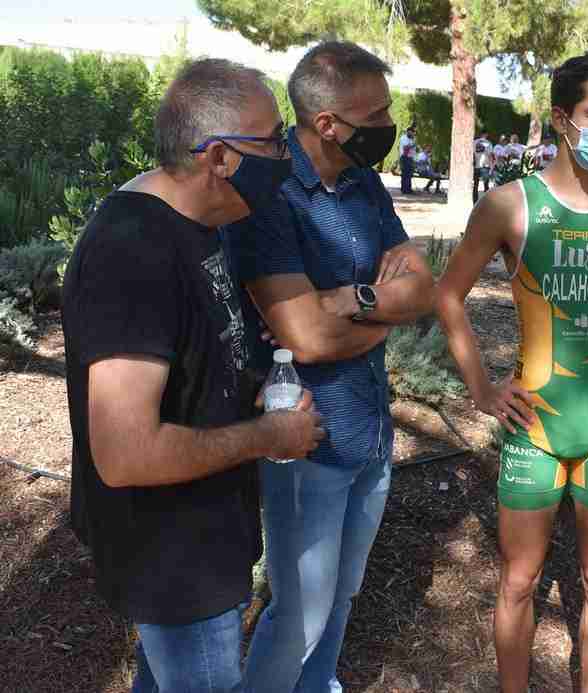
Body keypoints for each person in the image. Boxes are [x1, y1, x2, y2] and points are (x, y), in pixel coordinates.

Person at [62, 59, 324, 693]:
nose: (286, 154)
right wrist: (268, 437)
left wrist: (251, 379)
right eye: (271, 141)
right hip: (175, 561)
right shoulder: (133, 253)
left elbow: (192, 356)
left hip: (203, 540)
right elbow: (124, 454)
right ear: (219, 157)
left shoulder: (201, 227)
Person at [435, 51, 588, 693]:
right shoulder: (509, 206)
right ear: (560, 119)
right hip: (534, 430)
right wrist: (482, 389)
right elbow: (447, 295)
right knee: (519, 580)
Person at [224, 41, 435, 693]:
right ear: (328, 124)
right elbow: (305, 340)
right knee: (300, 611)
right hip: (306, 440)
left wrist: (355, 298)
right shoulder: (269, 195)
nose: (388, 125)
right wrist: (378, 314)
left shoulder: (365, 183)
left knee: (342, 595)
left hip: (370, 431)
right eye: (376, 114)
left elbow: (422, 287)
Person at [474, 132, 494, 202]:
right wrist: (492, 167)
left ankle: (475, 202)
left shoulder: (474, 142)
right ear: (486, 134)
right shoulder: (488, 143)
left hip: (476, 166)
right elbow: (490, 155)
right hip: (485, 166)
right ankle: (486, 202)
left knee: (475, 185)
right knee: (486, 185)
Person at [399, 123, 417, 194]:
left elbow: (413, 150)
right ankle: (404, 189)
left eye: (414, 133)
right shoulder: (403, 138)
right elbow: (405, 148)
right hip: (404, 158)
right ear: (408, 132)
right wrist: (412, 145)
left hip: (410, 158)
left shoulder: (412, 139)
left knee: (409, 174)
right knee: (405, 174)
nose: (413, 134)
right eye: (412, 133)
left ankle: (408, 189)